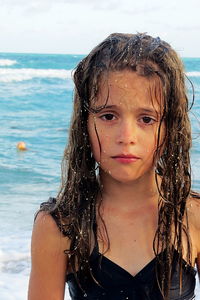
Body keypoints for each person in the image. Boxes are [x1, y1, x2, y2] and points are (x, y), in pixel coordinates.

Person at [28, 33, 200, 300]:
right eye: (108, 116)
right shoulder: (61, 224)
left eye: (147, 118)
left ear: (170, 127)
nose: (126, 136)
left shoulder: (193, 215)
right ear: (85, 123)